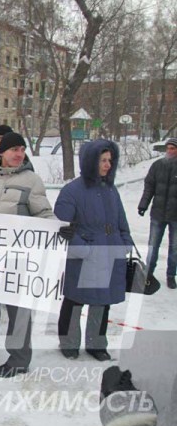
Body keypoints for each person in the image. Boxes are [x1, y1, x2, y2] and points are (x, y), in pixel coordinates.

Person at [0, 131, 60, 378]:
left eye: (22, 149)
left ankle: (19, 358)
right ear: (1, 152)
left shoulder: (31, 180)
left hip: (17, 257)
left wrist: (59, 229)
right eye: (14, 149)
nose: (19, 154)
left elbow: (44, 213)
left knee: (18, 307)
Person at [55, 139, 133, 361]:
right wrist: (83, 249)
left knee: (102, 301)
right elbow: (61, 226)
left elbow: (121, 219)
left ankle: (96, 344)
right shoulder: (71, 191)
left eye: (110, 160)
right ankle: (69, 342)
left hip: (110, 252)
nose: (108, 164)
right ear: (90, 161)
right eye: (102, 160)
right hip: (85, 256)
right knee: (75, 300)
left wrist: (124, 242)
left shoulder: (110, 189)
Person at [138, 137, 177, 289]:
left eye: (173, 148)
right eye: (168, 148)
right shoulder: (157, 166)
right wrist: (143, 205)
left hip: (175, 215)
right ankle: (148, 273)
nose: (169, 151)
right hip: (158, 213)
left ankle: (171, 275)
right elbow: (149, 187)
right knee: (153, 245)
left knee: (174, 248)